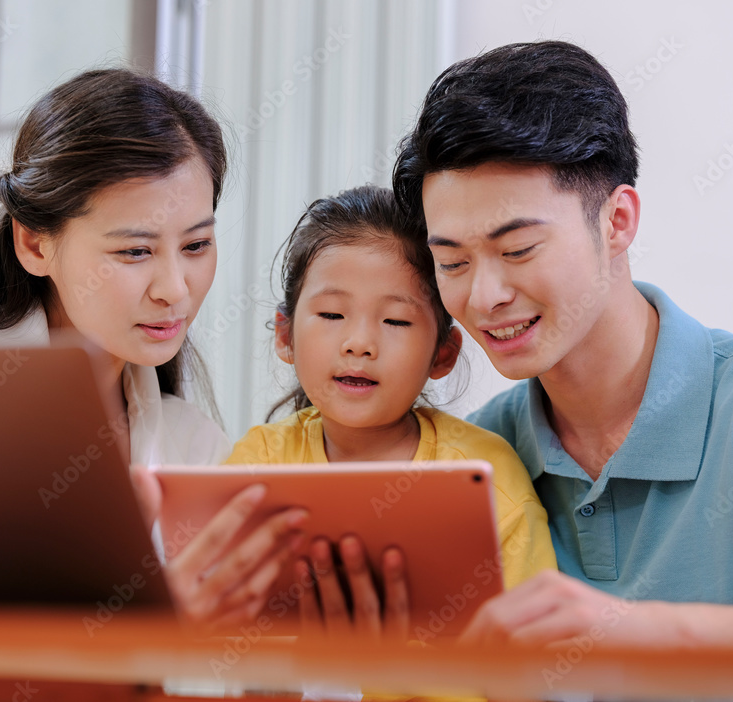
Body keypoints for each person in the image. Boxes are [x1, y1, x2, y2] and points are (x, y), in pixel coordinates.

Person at [392, 40, 733, 650]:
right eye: (452, 262)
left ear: (617, 221)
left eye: (518, 250)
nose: (485, 296)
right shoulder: (483, 456)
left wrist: (636, 630)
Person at [0, 68, 306, 629]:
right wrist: (138, 617)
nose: (175, 288)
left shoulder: (195, 448)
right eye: (135, 252)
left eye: (196, 245)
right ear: (35, 243)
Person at [224, 185, 557, 636]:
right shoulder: (257, 466)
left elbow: (534, 664)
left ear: (443, 353)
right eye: (331, 315)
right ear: (285, 335)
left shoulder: (486, 477)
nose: (359, 342)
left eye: (396, 321)